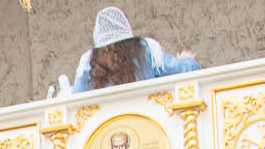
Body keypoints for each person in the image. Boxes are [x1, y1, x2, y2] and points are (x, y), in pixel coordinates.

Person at [68, 6, 197, 94]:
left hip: (106, 125)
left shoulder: (88, 61)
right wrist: (187, 59)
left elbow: (76, 96)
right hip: (147, 119)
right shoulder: (145, 48)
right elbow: (180, 69)